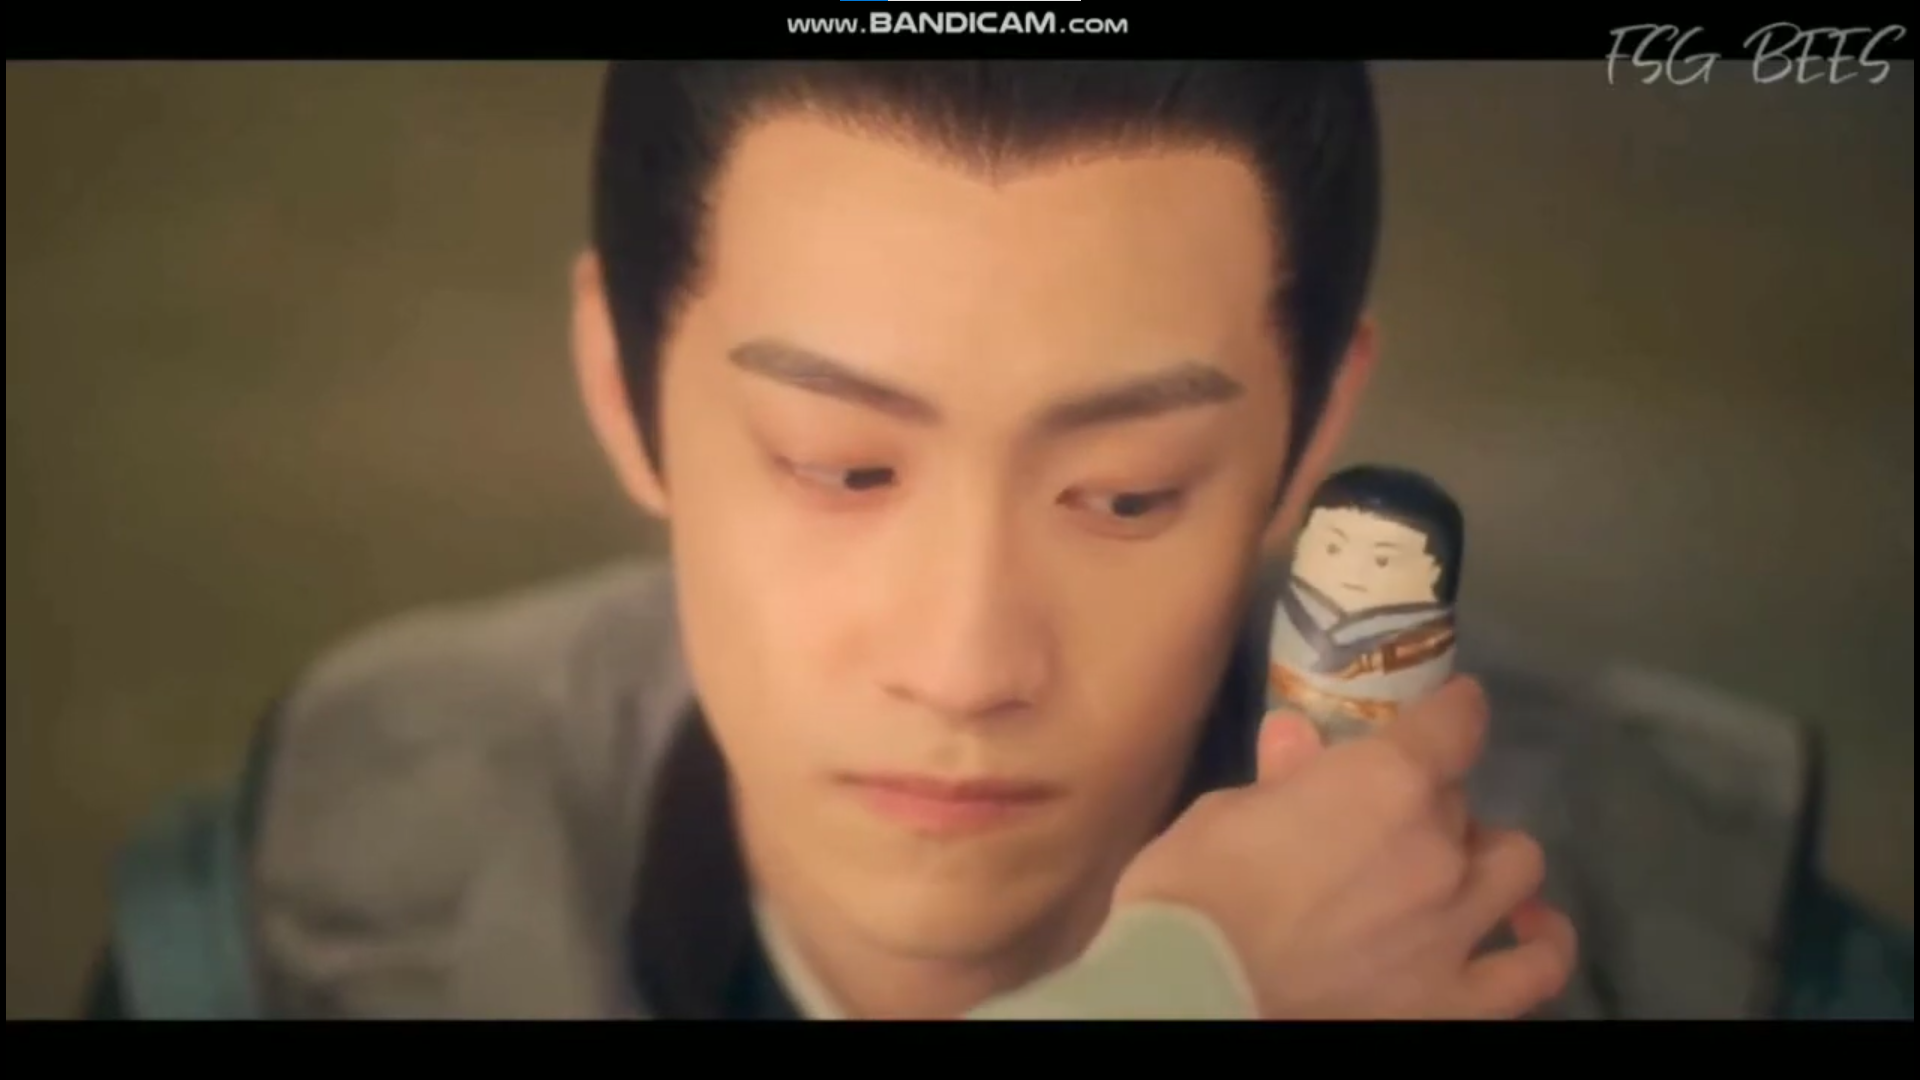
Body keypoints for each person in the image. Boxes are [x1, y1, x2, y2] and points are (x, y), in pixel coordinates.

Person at [88, 61, 1817, 1021]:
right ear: (623, 391)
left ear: (1308, 441)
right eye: (842, 468)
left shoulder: (1697, 931)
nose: (969, 661)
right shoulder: (320, 895)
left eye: (1127, 493)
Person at [1269, 464, 1463, 745]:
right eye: (1333, 548)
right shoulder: (1293, 614)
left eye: (1382, 561)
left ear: (1435, 572)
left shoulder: (1422, 643)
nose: (1352, 572)